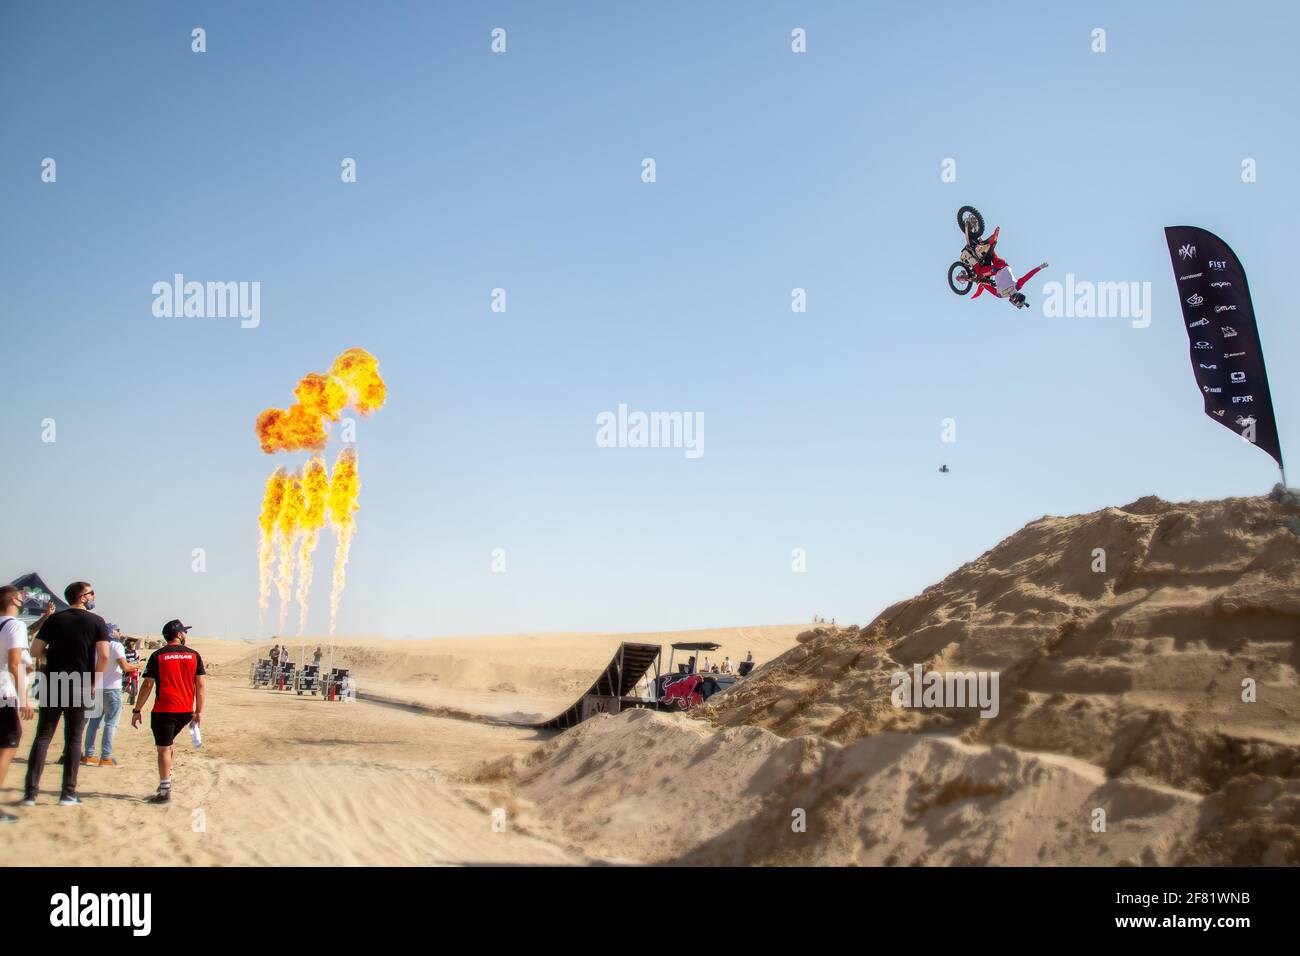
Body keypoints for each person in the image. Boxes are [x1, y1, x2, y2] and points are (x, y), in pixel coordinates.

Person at [22, 582, 110, 806]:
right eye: (91, 593)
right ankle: (68, 793)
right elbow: (104, 656)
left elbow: (35, 650)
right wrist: (94, 682)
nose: (93, 596)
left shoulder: (55, 619)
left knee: (43, 736)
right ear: (82, 597)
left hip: (53, 682)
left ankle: (31, 794)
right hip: (79, 683)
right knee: (73, 739)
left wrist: (51, 658)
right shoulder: (97, 621)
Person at [131, 619, 205, 804]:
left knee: (163, 749)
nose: (186, 635)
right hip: (185, 711)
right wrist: (198, 712)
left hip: (164, 710)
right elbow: (201, 686)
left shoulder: (158, 655)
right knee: (169, 745)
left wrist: (137, 709)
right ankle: (166, 779)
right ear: (179, 635)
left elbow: (147, 684)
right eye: (184, 632)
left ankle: (164, 791)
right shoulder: (194, 655)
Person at [0, 587, 37, 823]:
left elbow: (22, 661)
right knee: (8, 746)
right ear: (13, 600)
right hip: (3, 693)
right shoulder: (16, 625)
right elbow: (15, 664)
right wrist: (24, 700)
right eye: (21, 597)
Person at [82, 625, 140, 767]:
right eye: (117, 630)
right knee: (111, 723)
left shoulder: (95, 645)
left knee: (93, 722)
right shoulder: (115, 645)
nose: (119, 632)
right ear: (112, 632)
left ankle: (88, 755)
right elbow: (124, 666)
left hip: (96, 687)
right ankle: (106, 757)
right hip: (111, 689)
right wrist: (136, 666)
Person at [962, 226, 1048, 308]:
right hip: (995, 270)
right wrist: (979, 286)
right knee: (980, 272)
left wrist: (1040, 267)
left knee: (990, 254)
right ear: (1015, 299)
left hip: (1003, 264)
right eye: (1015, 303)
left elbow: (1028, 276)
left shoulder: (1016, 287)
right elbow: (985, 286)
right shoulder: (1003, 294)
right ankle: (969, 256)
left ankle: (987, 243)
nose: (1013, 304)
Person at [123, 637, 142, 706]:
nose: (132, 645)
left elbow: (138, 658)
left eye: (132, 644)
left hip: (134, 667)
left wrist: (139, 662)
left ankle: (132, 694)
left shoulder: (135, 651)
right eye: (130, 643)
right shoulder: (123, 651)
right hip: (126, 667)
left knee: (138, 673)